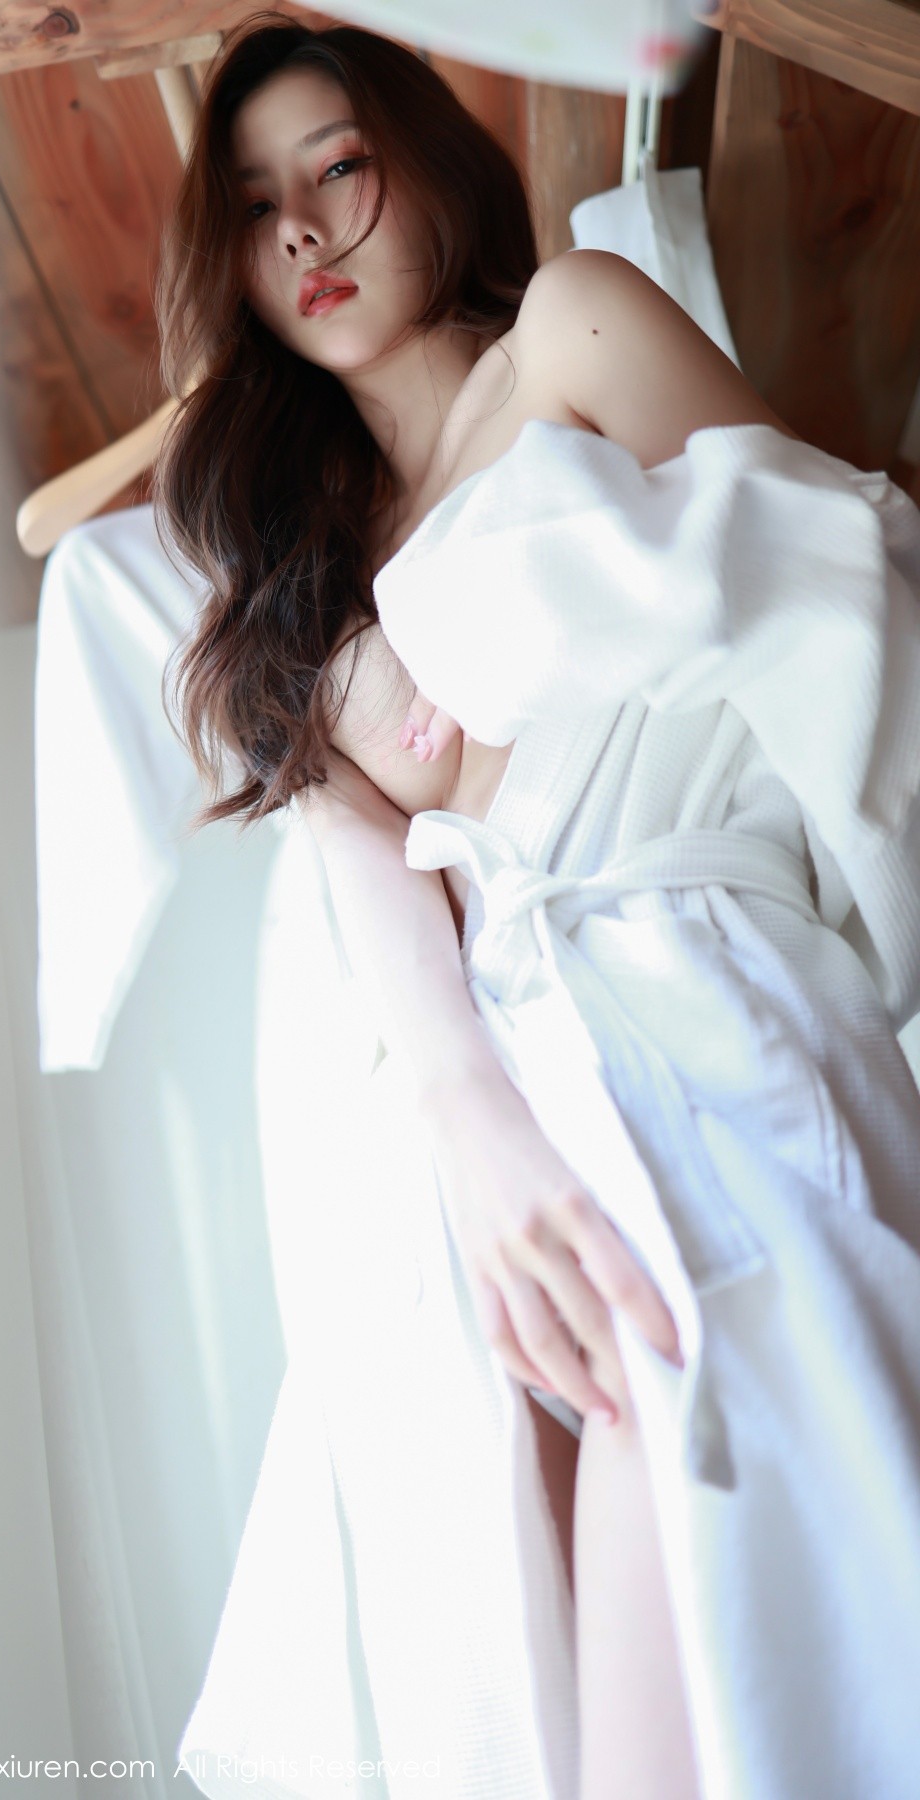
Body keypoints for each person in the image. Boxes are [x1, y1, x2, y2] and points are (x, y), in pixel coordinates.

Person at [153, 14, 920, 1800]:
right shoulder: (297, 590)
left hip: (696, 1005)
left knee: (721, 1518)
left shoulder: (574, 327)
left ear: (429, 159)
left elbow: (851, 595)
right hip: (479, 1143)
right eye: (256, 207)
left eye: (340, 165)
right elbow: (364, 887)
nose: (303, 231)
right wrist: (471, 1126)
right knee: (521, 1660)